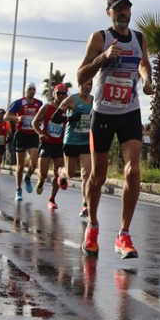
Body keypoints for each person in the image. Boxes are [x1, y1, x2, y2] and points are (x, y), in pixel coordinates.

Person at [75, 0, 153, 259]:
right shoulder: (100, 38)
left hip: (130, 111)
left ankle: (123, 234)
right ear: (108, 12)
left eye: (127, 9)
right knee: (98, 177)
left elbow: (144, 64)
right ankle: (93, 227)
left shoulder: (139, 38)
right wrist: (103, 57)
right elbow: (80, 76)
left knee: (133, 170)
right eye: (118, 9)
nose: (123, 13)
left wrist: (147, 79)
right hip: (104, 113)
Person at [58, 79, 95, 218]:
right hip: (71, 141)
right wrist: (70, 118)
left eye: (90, 84)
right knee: (71, 173)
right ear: (79, 84)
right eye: (85, 84)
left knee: (86, 174)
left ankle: (85, 204)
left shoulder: (93, 100)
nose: (87, 87)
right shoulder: (71, 100)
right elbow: (55, 117)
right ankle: (61, 172)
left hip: (86, 141)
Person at [33, 84, 70, 209]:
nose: (60, 95)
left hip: (60, 145)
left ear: (66, 95)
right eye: (58, 93)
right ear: (53, 94)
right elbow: (34, 122)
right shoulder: (46, 107)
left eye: (63, 93)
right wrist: (40, 133)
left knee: (57, 173)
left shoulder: (68, 109)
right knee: (43, 172)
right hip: (46, 143)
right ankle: (41, 180)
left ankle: (52, 198)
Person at [7, 83, 44, 202]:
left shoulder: (39, 103)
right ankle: (18, 190)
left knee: (34, 163)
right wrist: (17, 118)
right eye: (30, 89)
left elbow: (43, 116)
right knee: (20, 165)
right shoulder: (19, 103)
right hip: (21, 135)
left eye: (34, 89)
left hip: (33, 134)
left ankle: (27, 177)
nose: (32, 91)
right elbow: (7, 116)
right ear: (26, 91)